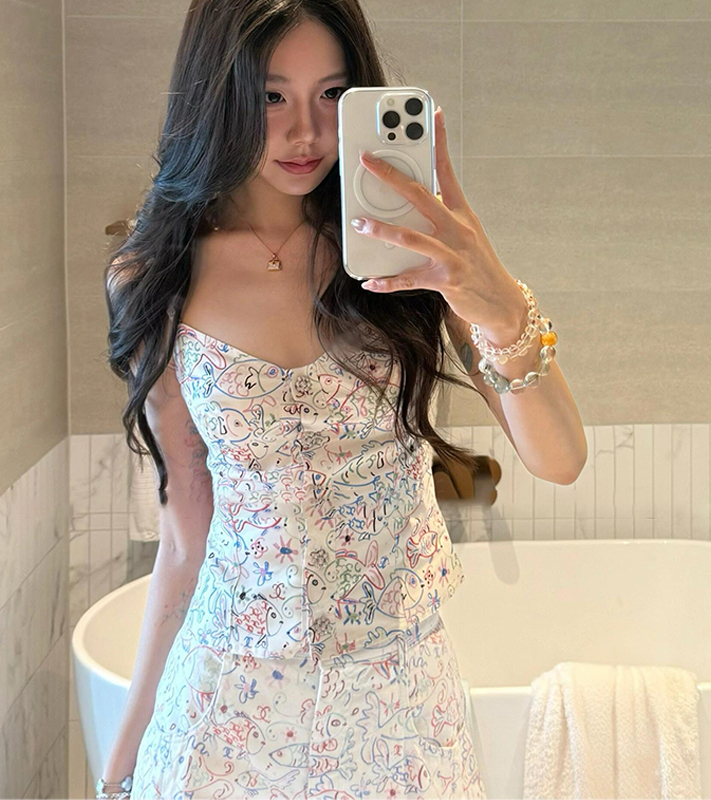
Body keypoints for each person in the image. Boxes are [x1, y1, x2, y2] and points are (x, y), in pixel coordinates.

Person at [100, 0, 584, 797]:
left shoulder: (412, 251)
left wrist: (497, 301)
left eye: (332, 94)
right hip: (228, 701)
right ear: (217, 92)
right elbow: (187, 529)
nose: (307, 133)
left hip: (400, 705)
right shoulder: (154, 278)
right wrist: (125, 750)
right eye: (271, 96)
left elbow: (560, 459)